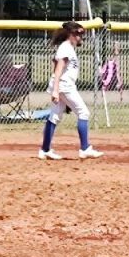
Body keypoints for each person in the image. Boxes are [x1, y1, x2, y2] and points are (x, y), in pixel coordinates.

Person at [37, 21, 103, 160]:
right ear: (70, 35)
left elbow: (56, 64)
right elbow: (58, 69)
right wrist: (56, 91)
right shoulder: (65, 48)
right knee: (83, 112)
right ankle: (85, 148)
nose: (80, 38)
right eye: (77, 35)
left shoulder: (68, 48)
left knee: (54, 116)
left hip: (63, 86)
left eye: (81, 35)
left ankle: (45, 150)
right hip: (64, 86)